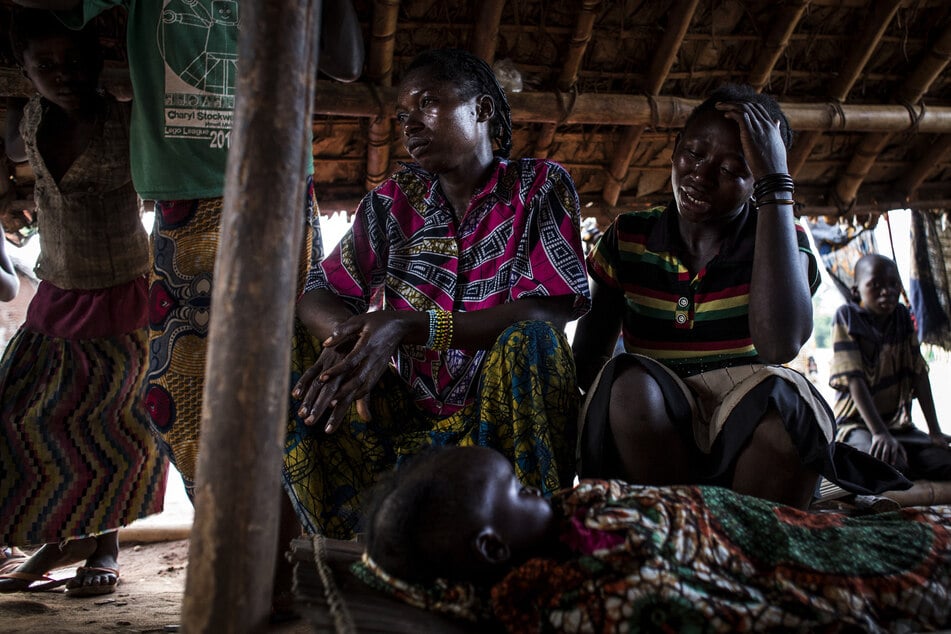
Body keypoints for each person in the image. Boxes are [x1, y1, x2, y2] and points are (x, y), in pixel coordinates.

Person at [288, 48, 591, 539]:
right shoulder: (391, 203)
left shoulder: (538, 188)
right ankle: (348, 540)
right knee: (294, 340)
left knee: (534, 342)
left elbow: (548, 308)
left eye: (428, 104)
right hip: (402, 415)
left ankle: (534, 538)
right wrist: (360, 349)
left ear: (483, 109)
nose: (410, 125)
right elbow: (317, 293)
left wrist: (407, 326)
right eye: (403, 116)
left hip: (499, 419)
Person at [571, 83, 908, 509]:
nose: (702, 175)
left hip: (748, 440)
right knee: (626, 385)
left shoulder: (781, 243)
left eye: (733, 170)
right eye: (694, 154)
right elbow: (588, 364)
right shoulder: (629, 237)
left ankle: (745, 534)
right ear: (675, 149)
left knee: (787, 410)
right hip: (657, 444)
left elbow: (779, 345)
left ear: (758, 182)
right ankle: (683, 525)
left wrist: (777, 187)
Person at [355, 445, 951, 633]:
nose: (539, 490)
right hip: (826, 566)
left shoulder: (557, 528)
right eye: (518, 491)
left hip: (803, 529)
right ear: (491, 548)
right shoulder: (605, 595)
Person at [0, 9, 168, 596]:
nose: (62, 74)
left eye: (74, 62)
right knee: (22, 417)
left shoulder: (131, 123)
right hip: (57, 290)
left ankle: (107, 549)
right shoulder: (26, 120)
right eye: (45, 65)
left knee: (117, 427)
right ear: (24, 70)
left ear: (98, 61)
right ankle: (56, 536)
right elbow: (17, 158)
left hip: (124, 291)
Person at [830, 253, 951, 481]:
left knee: (944, 459)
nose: (887, 291)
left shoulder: (902, 317)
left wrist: (934, 431)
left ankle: (905, 461)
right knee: (887, 465)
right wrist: (879, 433)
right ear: (856, 291)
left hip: (898, 427)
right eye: (875, 285)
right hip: (858, 425)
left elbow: (919, 374)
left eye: (893, 284)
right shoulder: (847, 317)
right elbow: (854, 380)